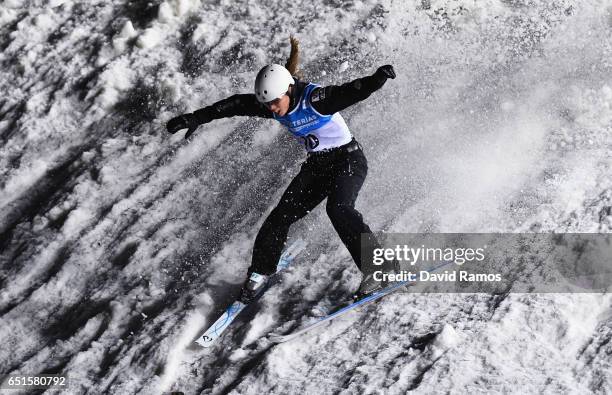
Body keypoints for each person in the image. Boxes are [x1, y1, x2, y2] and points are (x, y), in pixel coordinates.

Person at [167, 55, 396, 303]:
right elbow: (235, 104)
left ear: (288, 89)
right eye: (267, 105)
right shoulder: (274, 103)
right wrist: (196, 117)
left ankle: (381, 269)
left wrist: (378, 78)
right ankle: (259, 272)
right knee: (280, 216)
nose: (272, 109)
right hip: (318, 166)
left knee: (339, 209)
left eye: (275, 102)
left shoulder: (315, 100)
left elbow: (352, 91)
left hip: (348, 160)